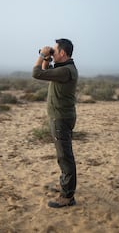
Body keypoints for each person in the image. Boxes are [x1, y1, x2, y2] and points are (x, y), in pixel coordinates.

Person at [32, 38, 78, 208]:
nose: (53, 52)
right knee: (63, 156)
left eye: (55, 51)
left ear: (63, 53)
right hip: (60, 117)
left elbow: (36, 73)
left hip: (61, 118)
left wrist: (43, 54)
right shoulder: (64, 69)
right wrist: (47, 59)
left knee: (65, 157)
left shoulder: (65, 71)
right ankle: (66, 188)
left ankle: (67, 197)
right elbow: (45, 70)